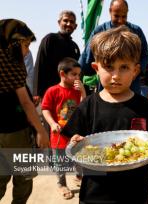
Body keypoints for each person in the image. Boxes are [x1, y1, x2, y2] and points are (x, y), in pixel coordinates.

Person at [61, 26, 148, 204]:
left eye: (124, 67)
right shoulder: (88, 106)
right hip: (95, 192)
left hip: (135, 192)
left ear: (135, 71)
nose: (116, 75)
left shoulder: (144, 106)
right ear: (96, 68)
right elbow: (72, 141)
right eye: (109, 67)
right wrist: (75, 142)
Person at [0, 18, 49, 204]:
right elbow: (26, 104)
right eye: (25, 45)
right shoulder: (11, 65)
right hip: (15, 133)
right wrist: (41, 131)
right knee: (24, 178)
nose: (27, 51)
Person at [79, 0, 148, 94]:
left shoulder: (136, 31)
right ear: (110, 11)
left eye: (124, 16)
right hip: (106, 90)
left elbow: (144, 56)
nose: (120, 20)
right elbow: (86, 61)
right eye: (116, 16)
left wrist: (136, 71)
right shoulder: (100, 31)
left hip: (131, 88)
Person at [41, 57, 86, 199]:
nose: (77, 77)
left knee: (79, 157)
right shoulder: (52, 91)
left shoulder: (78, 90)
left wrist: (83, 92)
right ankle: (61, 184)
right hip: (59, 135)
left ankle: (79, 177)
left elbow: (84, 108)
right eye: (74, 74)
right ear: (62, 74)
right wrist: (52, 123)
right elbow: (45, 109)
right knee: (60, 162)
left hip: (75, 134)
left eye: (79, 74)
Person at [34, 10, 80, 100]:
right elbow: (40, 64)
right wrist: (37, 92)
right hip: (48, 93)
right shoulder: (50, 39)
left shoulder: (75, 47)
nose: (68, 24)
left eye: (72, 22)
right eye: (65, 20)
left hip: (68, 95)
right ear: (59, 22)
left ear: (75, 26)